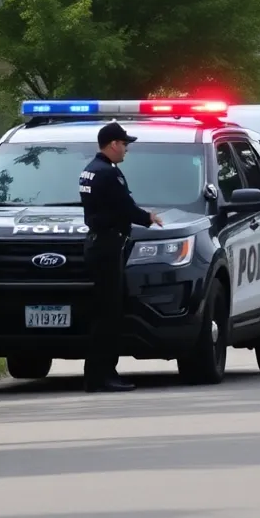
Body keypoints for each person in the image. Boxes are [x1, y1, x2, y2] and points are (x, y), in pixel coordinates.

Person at [79, 121, 163, 392]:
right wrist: (148, 218)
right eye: (125, 144)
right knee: (109, 314)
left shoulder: (89, 170)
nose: (126, 150)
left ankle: (99, 372)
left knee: (102, 312)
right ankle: (102, 375)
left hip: (96, 244)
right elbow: (125, 207)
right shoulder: (108, 174)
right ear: (113, 144)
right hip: (107, 246)